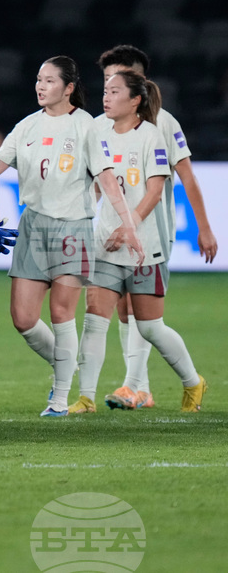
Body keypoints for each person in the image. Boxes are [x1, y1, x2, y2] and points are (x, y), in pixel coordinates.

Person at [0, 56, 143, 416]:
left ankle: (59, 399)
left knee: (61, 313)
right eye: (38, 80)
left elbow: (106, 177)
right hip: (33, 225)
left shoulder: (86, 127)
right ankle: (65, 364)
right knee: (23, 318)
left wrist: (128, 223)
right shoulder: (27, 125)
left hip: (72, 227)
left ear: (69, 87)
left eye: (48, 81)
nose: (40, 87)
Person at [68, 71, 207, 414]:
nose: (106, 97)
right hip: (106, 245)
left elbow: (155, 189)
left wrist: (129, 227)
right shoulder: (97, 132)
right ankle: (86, 397)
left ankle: (192, 381)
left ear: (135, 101)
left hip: (145, 246)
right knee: (95, 318)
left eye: (115, 92)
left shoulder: (151, 136)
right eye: (104, 91)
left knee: (149, 327)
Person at [95, 45, 218, 409]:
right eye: (105, 82)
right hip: (113, 233)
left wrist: (204, 227)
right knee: (123, 309)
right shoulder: (101, 124)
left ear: (139, 82)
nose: (109, 88)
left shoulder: (163, 123)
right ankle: (140, 389)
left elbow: (187, 177)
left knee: (142, 312)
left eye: (116, 81)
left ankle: (134, 385)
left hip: (152, 232)